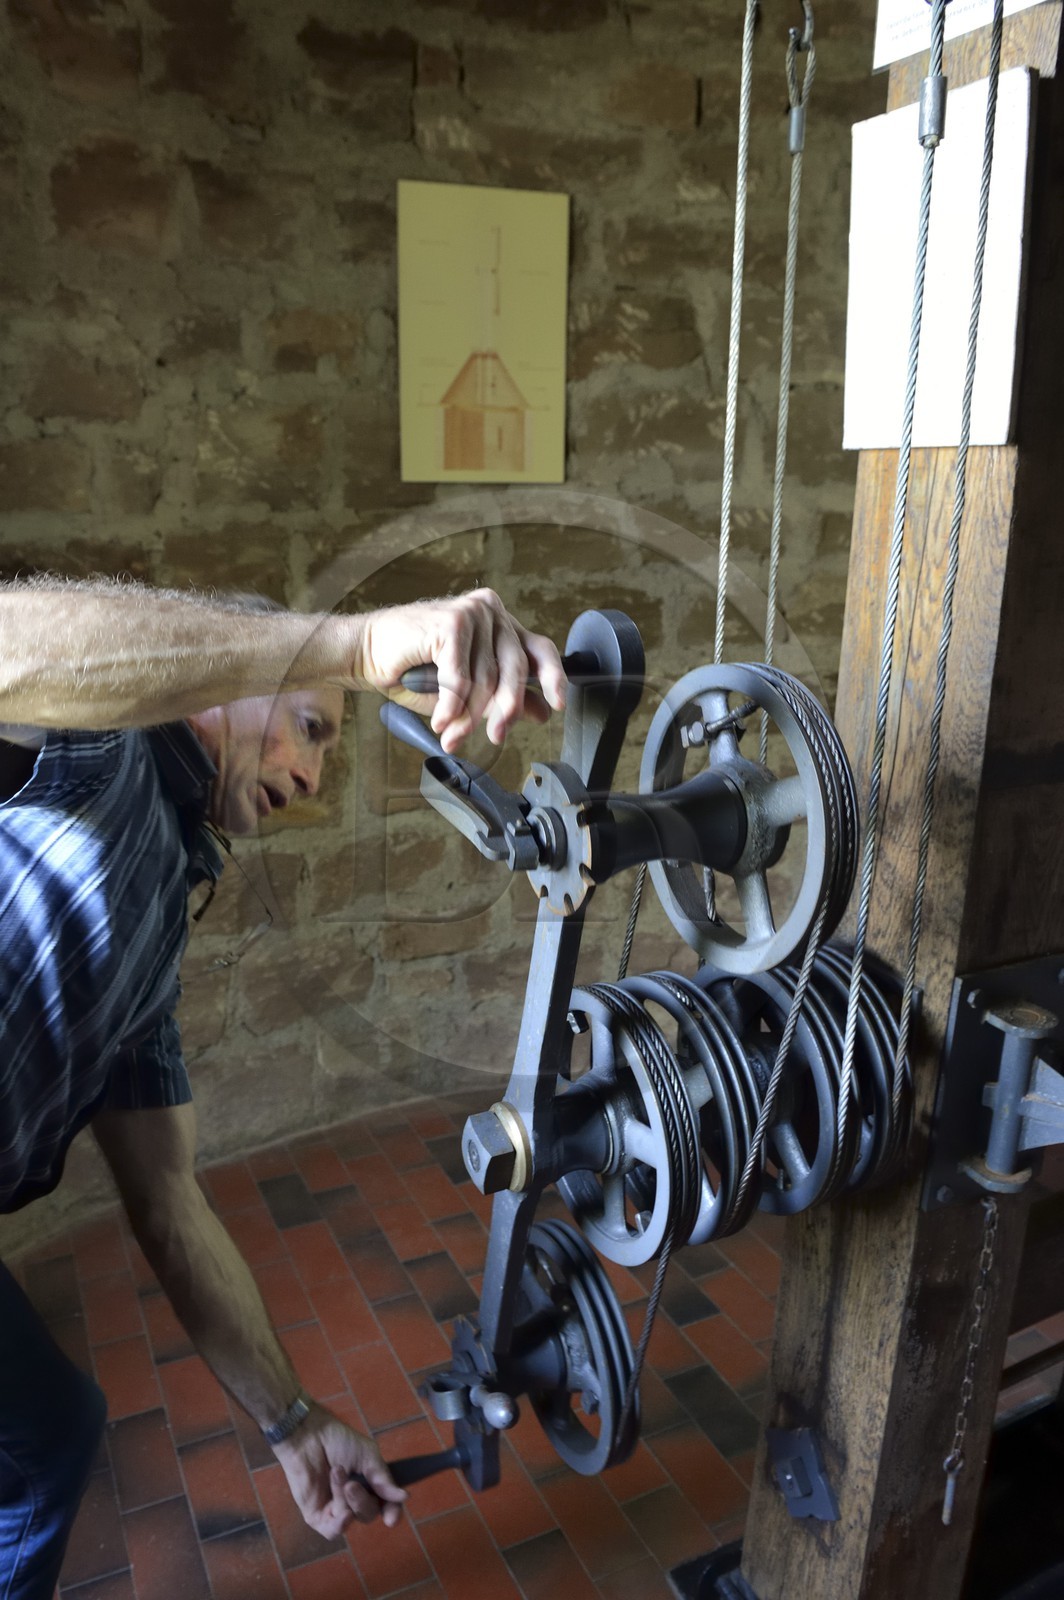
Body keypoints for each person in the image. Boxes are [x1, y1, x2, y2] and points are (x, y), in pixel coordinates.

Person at [0, 576, 566, 1600]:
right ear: (219, 687)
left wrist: (295, 1423)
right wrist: (342, 644)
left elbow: (172, 1207)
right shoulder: (101, 744)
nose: (309, 777)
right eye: (307, 727)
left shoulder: (159, 923)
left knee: (46, 1446)